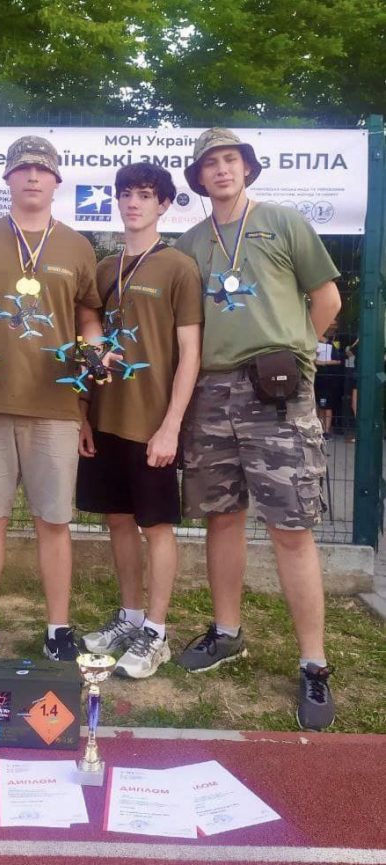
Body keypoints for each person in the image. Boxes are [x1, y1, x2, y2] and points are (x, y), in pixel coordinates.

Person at [175, 128, 341, 731]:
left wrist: (298, 355)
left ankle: (314, 664)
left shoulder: (283, 222)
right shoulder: (190, 244)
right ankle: (226, 633)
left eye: (231, 160)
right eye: (210, 164)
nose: (222, 170)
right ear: (198, 178)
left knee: (290, 528)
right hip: (210, 391)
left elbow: (327, 298)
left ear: (246, 168)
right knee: (222, 518)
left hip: (276, 391)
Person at [0, 135, 104, 671]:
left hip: (54, 404)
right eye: (23, 168)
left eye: (43, 169)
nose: (33, 176)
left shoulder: (78, 246)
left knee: (53, 521)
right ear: (7, 179)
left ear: (56, 181)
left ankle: (58, 630)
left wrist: (95, 348)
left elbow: (89, 317)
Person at [77, 162, 202, 679]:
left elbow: (190, 353)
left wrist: (172, 425)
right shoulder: (104, 268)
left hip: (152, 422)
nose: (134, 203)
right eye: (126, 193)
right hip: (105, 415)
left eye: (146, 195)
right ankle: (129, 617)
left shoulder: (179, 267)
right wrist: (83, 414)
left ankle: (156, 630)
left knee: (157, 526)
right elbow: (87, 340)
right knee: (118, 520)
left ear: (164, 204)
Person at [314, 325, 342, 438]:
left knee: (327, 405)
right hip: (318, 378)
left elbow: (338, 361)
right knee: (320, 405)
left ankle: (327, 431)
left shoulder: (331, 345)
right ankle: (320, 429)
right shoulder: (314, 345)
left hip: (329, 378)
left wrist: (324, 362)